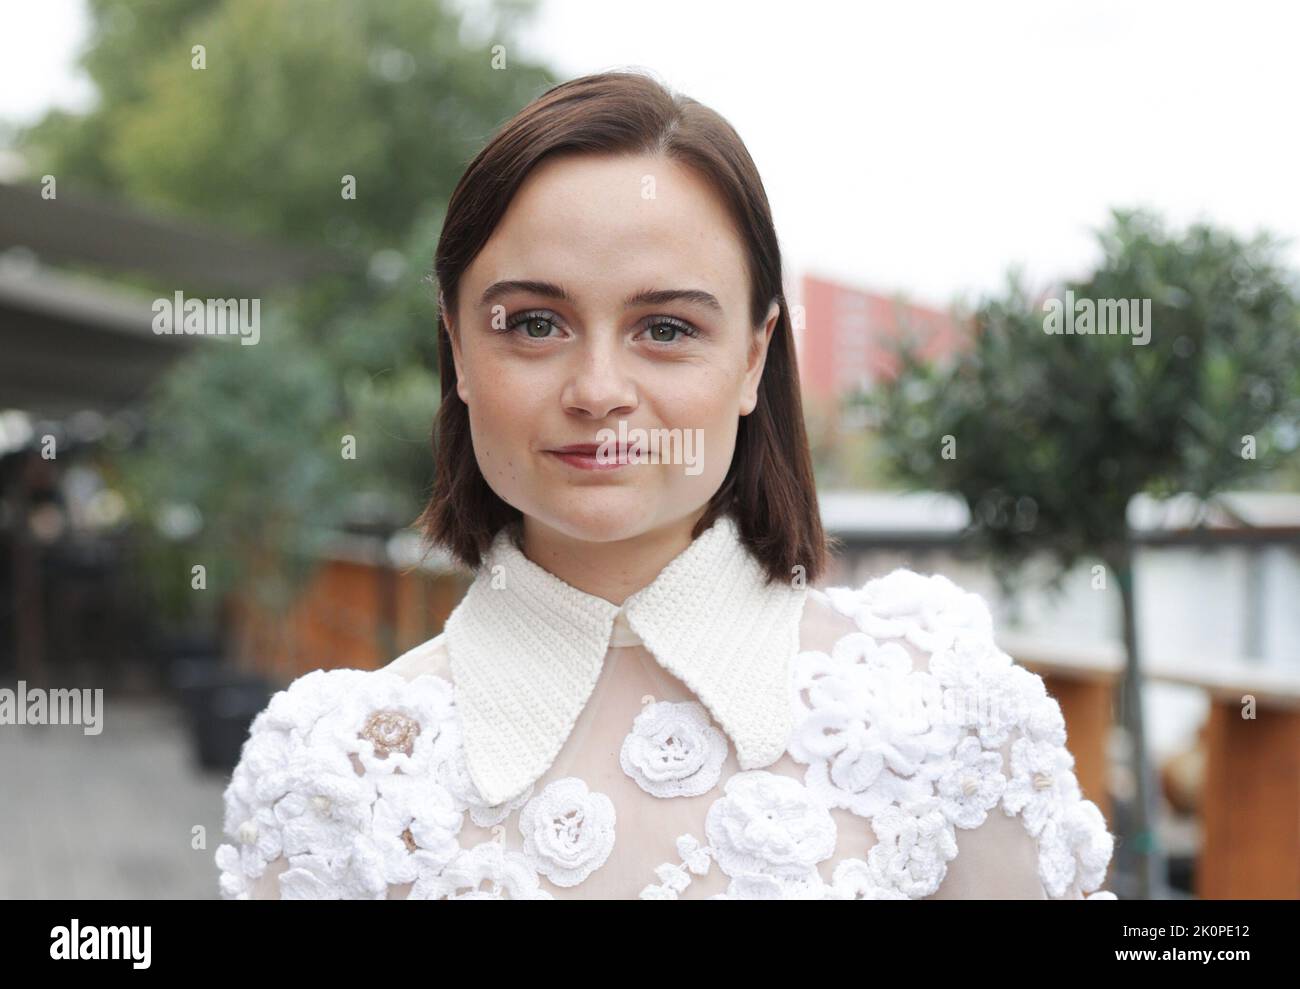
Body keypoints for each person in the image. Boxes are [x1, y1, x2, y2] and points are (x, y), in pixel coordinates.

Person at [215, 68, 1116, 900]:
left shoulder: (943, 717)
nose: (598, 390)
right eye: (534, 322)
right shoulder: (330, 782)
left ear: (755, 358)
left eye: (668, 328)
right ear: (456, 350)